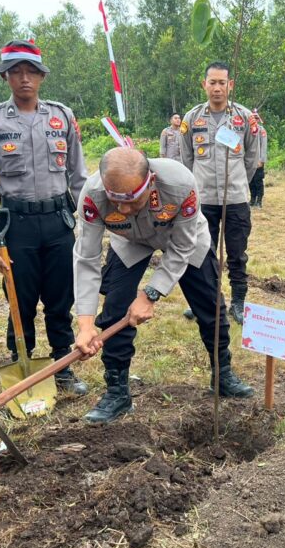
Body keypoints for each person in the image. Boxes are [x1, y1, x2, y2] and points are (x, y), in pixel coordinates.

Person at [74, 147, 254, 423]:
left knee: (210, 306)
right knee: (114, 309)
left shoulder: (180, 184)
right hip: (129, 241)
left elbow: (182, 248)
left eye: (133, 200)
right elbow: (86, 259)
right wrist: (85, 324)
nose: (123, 209)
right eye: (116, 201)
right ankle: (117, 391)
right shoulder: (92, 197)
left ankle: (223, 374)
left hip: (182, 239)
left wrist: (150, 294)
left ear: (151, 181)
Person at [0, 39, 88, 395]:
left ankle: (62, 364)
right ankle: (20, 359)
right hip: (16, 226)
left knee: (60, 297)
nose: (25, 79)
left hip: (58, 222)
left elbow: (79, 176)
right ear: (6, 76)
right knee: (19, 298)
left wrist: (91, 223)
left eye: (31, 72)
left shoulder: (62, 116)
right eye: (17, 72)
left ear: (41, 77)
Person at [180, 61, 259, 325]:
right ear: (204, 85)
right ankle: (208, 302)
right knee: (204, 253)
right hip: (204, 201)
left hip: (236, 199)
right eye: (212, 82)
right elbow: (186, 160)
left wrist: (237, 183)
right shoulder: (192, 119)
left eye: (221, 83)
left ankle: (238, 302)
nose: (217, 88)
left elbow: (252, 158)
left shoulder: (243, 118)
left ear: (230, 85)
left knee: (237, 253)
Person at [248, 110, 267, 208]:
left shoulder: (261, 130)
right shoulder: (248, 130)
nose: (255, 120)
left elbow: (263, 146)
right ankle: (252, 200)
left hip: (258, 161)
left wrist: (262, 160)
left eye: (256, 118)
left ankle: (259, 201)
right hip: (250, 161)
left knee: (258, 181)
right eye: (253, 118)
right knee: (251, 181)